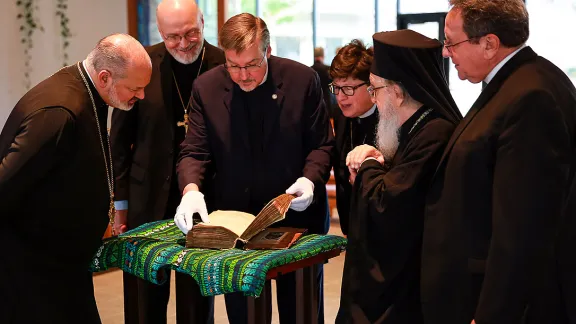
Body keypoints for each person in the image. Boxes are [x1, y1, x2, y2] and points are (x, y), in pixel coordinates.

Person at [173, 13, 334, 324]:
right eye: (233, 65)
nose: (242, 75)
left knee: (300, 312)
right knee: (245, 315)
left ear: (268, 51)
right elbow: (194, 150)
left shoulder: (302, 80)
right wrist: (191, 190)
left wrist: (310, 180)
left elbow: (321, 145)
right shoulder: (206, 88)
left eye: (251, 65)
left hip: (296, 219)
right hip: (238, 226)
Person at [421, 1, 576, 323]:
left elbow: (523, 225)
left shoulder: (532, 95)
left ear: (489, 44)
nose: (446, 53)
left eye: (451, 41)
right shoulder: (514, 81)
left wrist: (493, 312)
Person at [0, 33, 151, 324]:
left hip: (62, 263)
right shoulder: (58, 114)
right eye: (135, 88)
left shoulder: (90, 92)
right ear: (105, 77)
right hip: (34, 270)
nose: (141, 96)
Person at [110, 0, 225, 323]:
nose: (184, 43)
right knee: (144, 301)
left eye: (191, 33)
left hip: (205, 197)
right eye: (173, 37)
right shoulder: (141, 63)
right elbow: (118, 144)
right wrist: (120, 205)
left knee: (196, 303)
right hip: (146, 199)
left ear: (203, 22)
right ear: (160, 32)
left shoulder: (223, 64)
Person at [336, 30, 462, 324]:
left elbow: (388, 203)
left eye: (375, 89)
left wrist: (368, 164)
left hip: (411, 282)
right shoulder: (414, 127)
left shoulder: (434, 133)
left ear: (398, 92)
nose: (373, 97)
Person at [329, 39, 376, 236]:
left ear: (371, 86)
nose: (340, 97)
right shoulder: (341, 116)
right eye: (336, 88)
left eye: (348, 89)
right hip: (350, 226)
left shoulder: (390, 118)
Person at [311, 46, 334, 117]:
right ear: (323, 56)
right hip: (326, 99)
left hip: (313, 100)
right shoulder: (328, 69)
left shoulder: (310, 70)